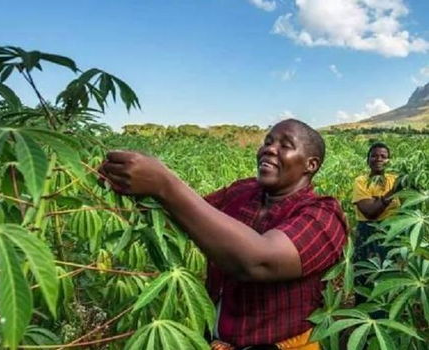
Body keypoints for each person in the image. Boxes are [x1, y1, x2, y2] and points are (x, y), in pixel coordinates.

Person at [101, 119, 347, 350]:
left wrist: (165, 184)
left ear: (310, 164)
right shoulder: (243, 191)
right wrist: (133, 185)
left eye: (285, 145)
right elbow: (188, 217)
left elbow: (259, 262)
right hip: (216, 339)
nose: (269, 149)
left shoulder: (324, 216)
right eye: (268, 141)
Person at [352, 142, 401, 264]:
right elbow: (370, 212)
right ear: (367, 160)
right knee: (367, 274)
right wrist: (393, 191)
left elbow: (408, 206)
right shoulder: (361, 181)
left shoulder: (395, 179)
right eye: (374, 156)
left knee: (392, 274)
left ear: (389, 161)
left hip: (393, 232)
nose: (379, 159)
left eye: (383, 157)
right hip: (368, 234)